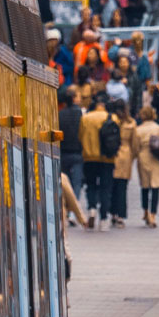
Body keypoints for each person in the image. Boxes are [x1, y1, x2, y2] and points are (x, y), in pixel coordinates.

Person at [132, 106, 159, 227]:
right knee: (155, 188)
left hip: (143, 158)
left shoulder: (138, 130)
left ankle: (145, 211)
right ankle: (153, 214)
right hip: (157, 158)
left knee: (145, 187)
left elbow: (135, 147)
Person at [79, 96, 114, 227]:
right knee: (105, 187)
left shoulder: (86, 118)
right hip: (108, 158)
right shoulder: (112, 118)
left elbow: (80, 136)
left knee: (91, 185)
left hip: (89, 157)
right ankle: (104, 218)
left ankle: (92, 209)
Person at [108, 100, 135, 230]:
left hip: (112, 154)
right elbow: (134, 143)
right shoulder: (131, 123)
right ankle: (121, 215)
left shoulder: (111, 121)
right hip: (125, 155)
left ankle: (112, 213)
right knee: (122, 187)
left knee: (111, 186)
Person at [56, 86, 86, 197]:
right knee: (77, 181)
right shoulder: (80, 114)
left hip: (63, 151)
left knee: (65, 181)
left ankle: (67, 206)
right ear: (74, 99)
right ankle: (75, 203)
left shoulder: (60, 114)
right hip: (77, 151)